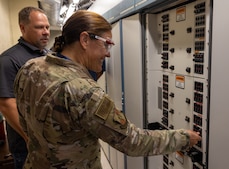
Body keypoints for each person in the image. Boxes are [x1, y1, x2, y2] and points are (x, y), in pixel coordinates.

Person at [13, 10, 201, 169]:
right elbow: (133, 142)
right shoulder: (84, 91)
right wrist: (183, 138)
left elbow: (25, 122)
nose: (108, 52)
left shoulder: (30, 68)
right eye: (107, 43)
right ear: (85, 39)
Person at [0, 6, 50, 169]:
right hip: (28, 148)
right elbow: (7, 104)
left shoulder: (48, 55)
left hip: (52, 142)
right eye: (39, 27)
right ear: (23, 28)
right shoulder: (9, 60)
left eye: (47, 27)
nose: (46, 32)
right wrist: (31, 139)